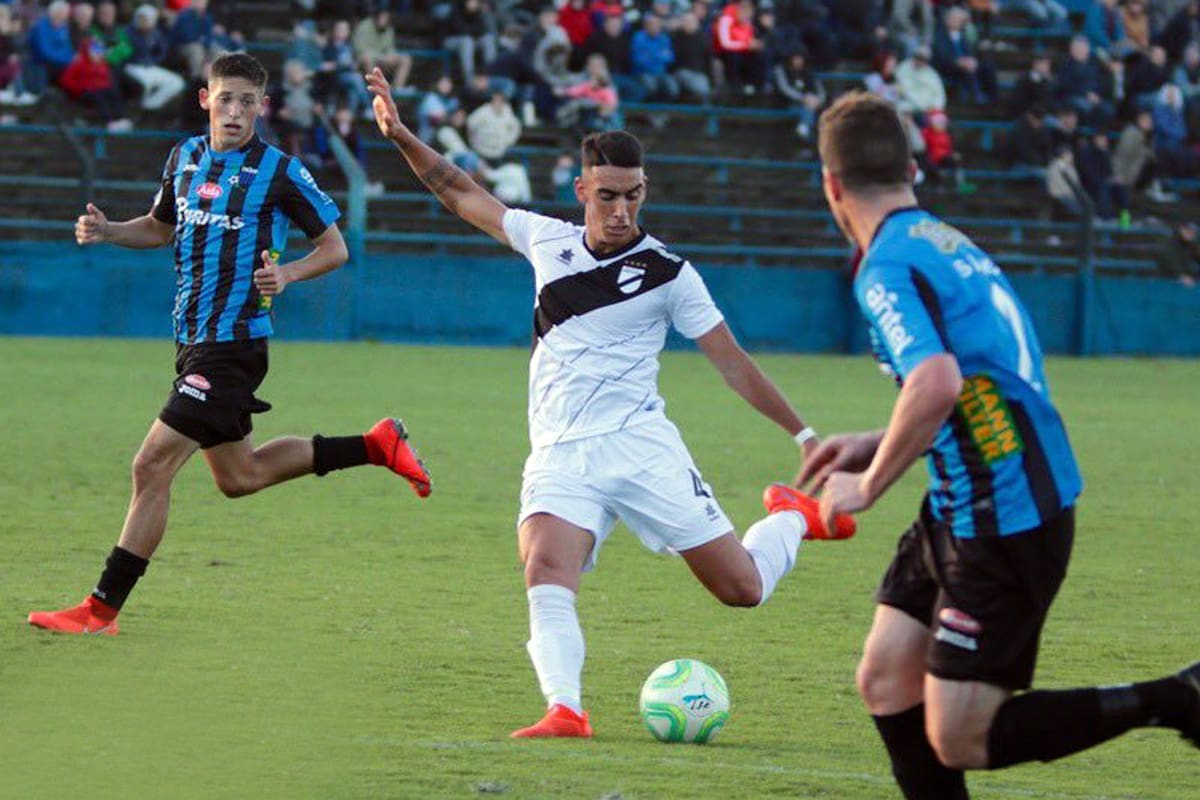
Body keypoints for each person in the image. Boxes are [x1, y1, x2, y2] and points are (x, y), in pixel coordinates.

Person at [366, 65, 856, 738]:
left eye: (631, 195)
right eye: (606, 196)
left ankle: (794, 517)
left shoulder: (671, 274)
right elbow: (458, 190)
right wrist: (399, 136)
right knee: (544, 564)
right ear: (581, 191)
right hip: (560, 453)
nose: (621, 209)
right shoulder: (546, 240)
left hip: (639, 446)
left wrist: (805, 438)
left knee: (742, 588)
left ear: (644, 190)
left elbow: (732, 363)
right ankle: (565, 708)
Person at [804, 90, 1200, 800]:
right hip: (967, 498)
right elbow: (978, 378)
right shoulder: (939, 241)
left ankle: (1175, 697)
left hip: (1006, 514)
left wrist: (868, 486)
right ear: (913, 168)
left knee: (960, 734)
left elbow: (936, 382)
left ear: (831, 186)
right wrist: (876, 440)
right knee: (886, 679)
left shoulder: (885, 265)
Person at [28, 53, 432, 637]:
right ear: (205, 100)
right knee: (238, 478)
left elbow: (335, 248)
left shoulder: (280, 171)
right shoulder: (185, 158)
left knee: (151, 465)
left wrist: (288, 274)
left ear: (262, 106)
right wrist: (111, 231)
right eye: (226, 99)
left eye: (248, 101)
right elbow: (161, 227)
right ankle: (375, 445)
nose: (236, 111)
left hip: (233, 345)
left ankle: (100, 610)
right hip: (191, 342)